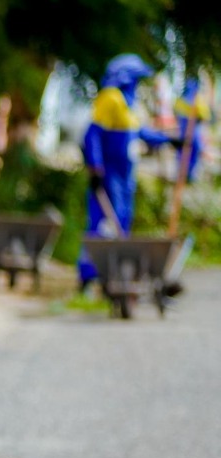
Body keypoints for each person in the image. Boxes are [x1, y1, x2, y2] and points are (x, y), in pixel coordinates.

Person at [80, 54, 177, 287]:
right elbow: (92, 135)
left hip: (125, 178)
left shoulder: (129, 104)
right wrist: (95, 168)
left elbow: (139, 132)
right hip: (109, 175)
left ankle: (116, 277)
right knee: (101, 226)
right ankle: (89, 277)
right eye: (137, 79)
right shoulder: (110, 97)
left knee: (122, 223)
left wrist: (170, 140)